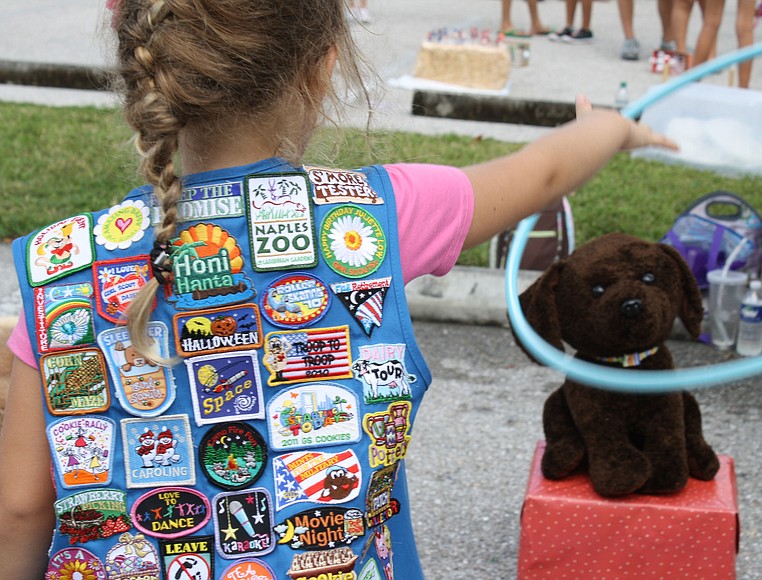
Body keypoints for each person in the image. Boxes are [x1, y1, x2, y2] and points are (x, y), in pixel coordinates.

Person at [0, 0, 676, 578]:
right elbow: (546, 171)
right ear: (321, 68)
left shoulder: (61, 266)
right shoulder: (382, 214)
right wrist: (613, 127)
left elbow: (23, 507)